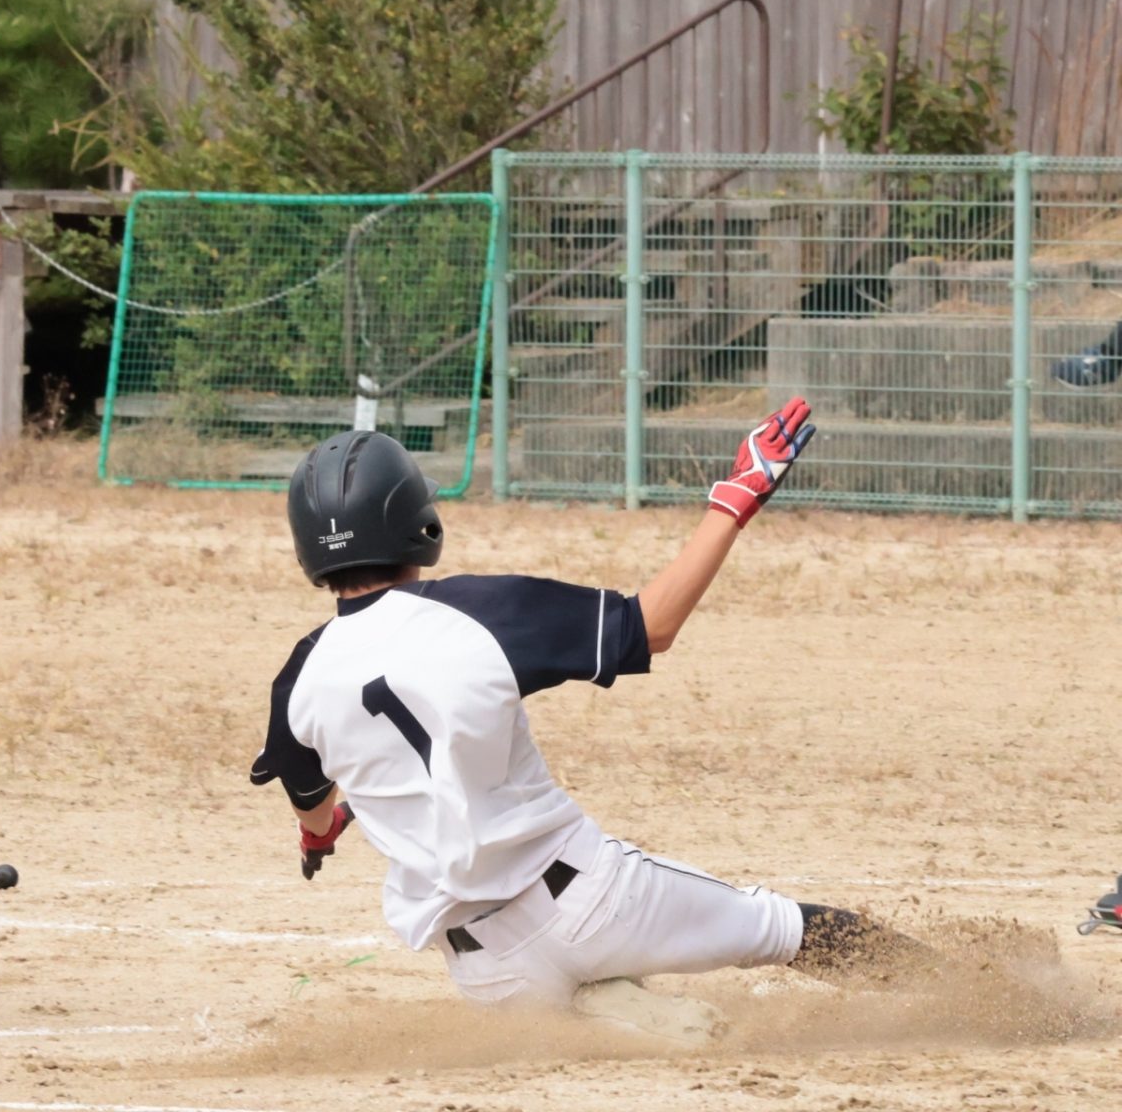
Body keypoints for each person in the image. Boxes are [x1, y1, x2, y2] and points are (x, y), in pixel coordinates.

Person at [253, 404, 930, 1041]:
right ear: (413, 518)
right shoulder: (475, 611)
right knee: (784, 929)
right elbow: (651, 626)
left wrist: (325, 832)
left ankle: (600, 1006)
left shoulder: (299, 679)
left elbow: (313, 816)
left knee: (558, 996)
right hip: (592, 903)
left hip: (488, 974)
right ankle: (979, 991)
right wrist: (737, 498)